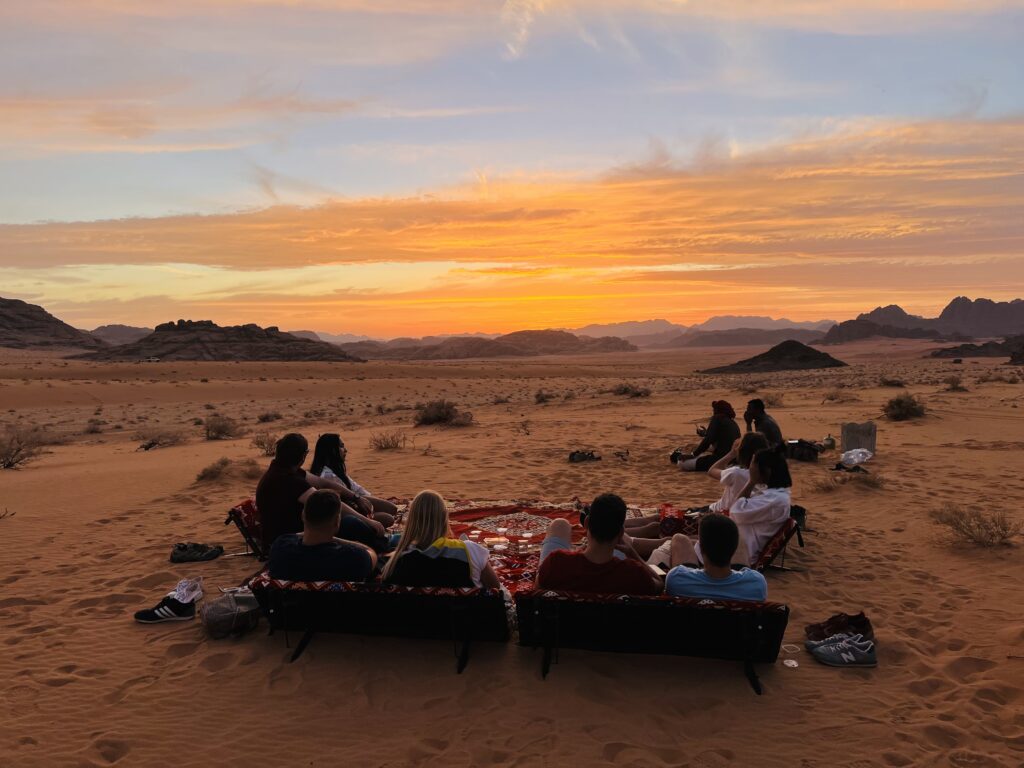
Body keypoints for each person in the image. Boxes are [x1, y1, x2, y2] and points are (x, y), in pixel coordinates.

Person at [255, 433, 390, 552]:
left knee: (351, 523)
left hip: (298, 532)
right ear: (304, 455)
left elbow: (322, 483)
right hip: (288, 540)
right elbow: (326, 501)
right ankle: (382, 548)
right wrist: (368, 521)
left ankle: (380, 545)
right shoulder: (288, 480)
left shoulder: (284, 471)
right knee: (351, 523)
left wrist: (356, 497)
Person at [625, 432, 770, 540]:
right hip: (723, 518)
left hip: (714, 517)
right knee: (660, 518)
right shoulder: (768, 479)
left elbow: (712, 470)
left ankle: (617, 534)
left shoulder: (738, 473)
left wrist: (731, 454)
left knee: (658, 523)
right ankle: (617, 529)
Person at [536, 493, 663, 595]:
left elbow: (538, 587)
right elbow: (659, 584)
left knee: (559, 524)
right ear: (620, 534)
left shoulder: (557, 563)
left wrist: (575, 554)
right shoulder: (634, 573)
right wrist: (632, 553)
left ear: (586, 523)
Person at [381, 490, 501, 589]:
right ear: (444, 518)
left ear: (411, 521)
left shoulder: (394, 564)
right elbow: (496, 591)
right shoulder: (470, 551)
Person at [269, 490, 377, 582]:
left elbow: (294, 536)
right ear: (337, 522)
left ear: (303, 516)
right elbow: (371, 552)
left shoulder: (280, 548)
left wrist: (311, 533)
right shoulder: (354, 559)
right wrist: (334, 539)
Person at [663, 513, 767, 601]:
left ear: (700, 550)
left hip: (692, 607)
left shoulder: (676, 580)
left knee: (679, 538)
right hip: (737, 621)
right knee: (740, 540)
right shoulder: (756, 584)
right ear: (734, 551)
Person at [728, 448, 793, 566]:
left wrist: (751, 481)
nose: (750, 469)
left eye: (753, 466)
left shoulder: (774, 500)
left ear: (766, 471)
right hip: (738, 545)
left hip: (741, 554)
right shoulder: (774, 494)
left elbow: (735, 511)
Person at [310, 433, 399, 518]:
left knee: (391, 509)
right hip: (344, 514)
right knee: (388, 516)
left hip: (355, 505)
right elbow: (340, 504)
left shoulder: (336, 471)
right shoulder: (327, 475)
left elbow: (357, 489)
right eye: (341, 446)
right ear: (332, 450)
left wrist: (372, 500)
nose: (345, 450)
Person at [673, 400, 741, 472]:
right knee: (704, 453)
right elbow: (717, 436)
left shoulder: (717, 418)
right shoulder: (733, 422)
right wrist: (705, 433)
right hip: (734, 459)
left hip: (721, 460)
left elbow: (708, 440)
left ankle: (676, 457)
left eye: (714, 409)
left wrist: (693, 455)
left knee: (682, 463)